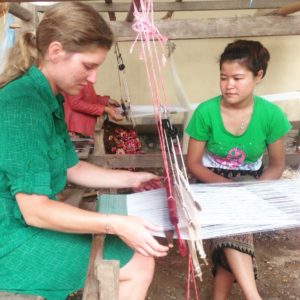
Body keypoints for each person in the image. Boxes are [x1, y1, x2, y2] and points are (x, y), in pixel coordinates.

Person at [0, 2, 169, 300]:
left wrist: (133, 180)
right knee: (138, 262)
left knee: (135, 255)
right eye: (88, 66)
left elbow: (72, 168)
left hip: (21, 223)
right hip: (10, 239)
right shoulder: (22, 104)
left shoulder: (49, 98)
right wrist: (114, 222)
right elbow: (35, 211)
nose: (92, 78)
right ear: (55, 51)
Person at [185, 39, 291, 300]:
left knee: (231, 231)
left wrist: (255, 192)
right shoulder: (206, 112)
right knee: (234, 225)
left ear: (259, 76)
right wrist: (228, 188)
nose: (228, 85)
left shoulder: (271, 115)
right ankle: (253, 296)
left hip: (251, 184)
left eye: (237, 78)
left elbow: (277, 165)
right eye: (223, 77)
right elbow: (193, 164)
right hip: (208, 183)